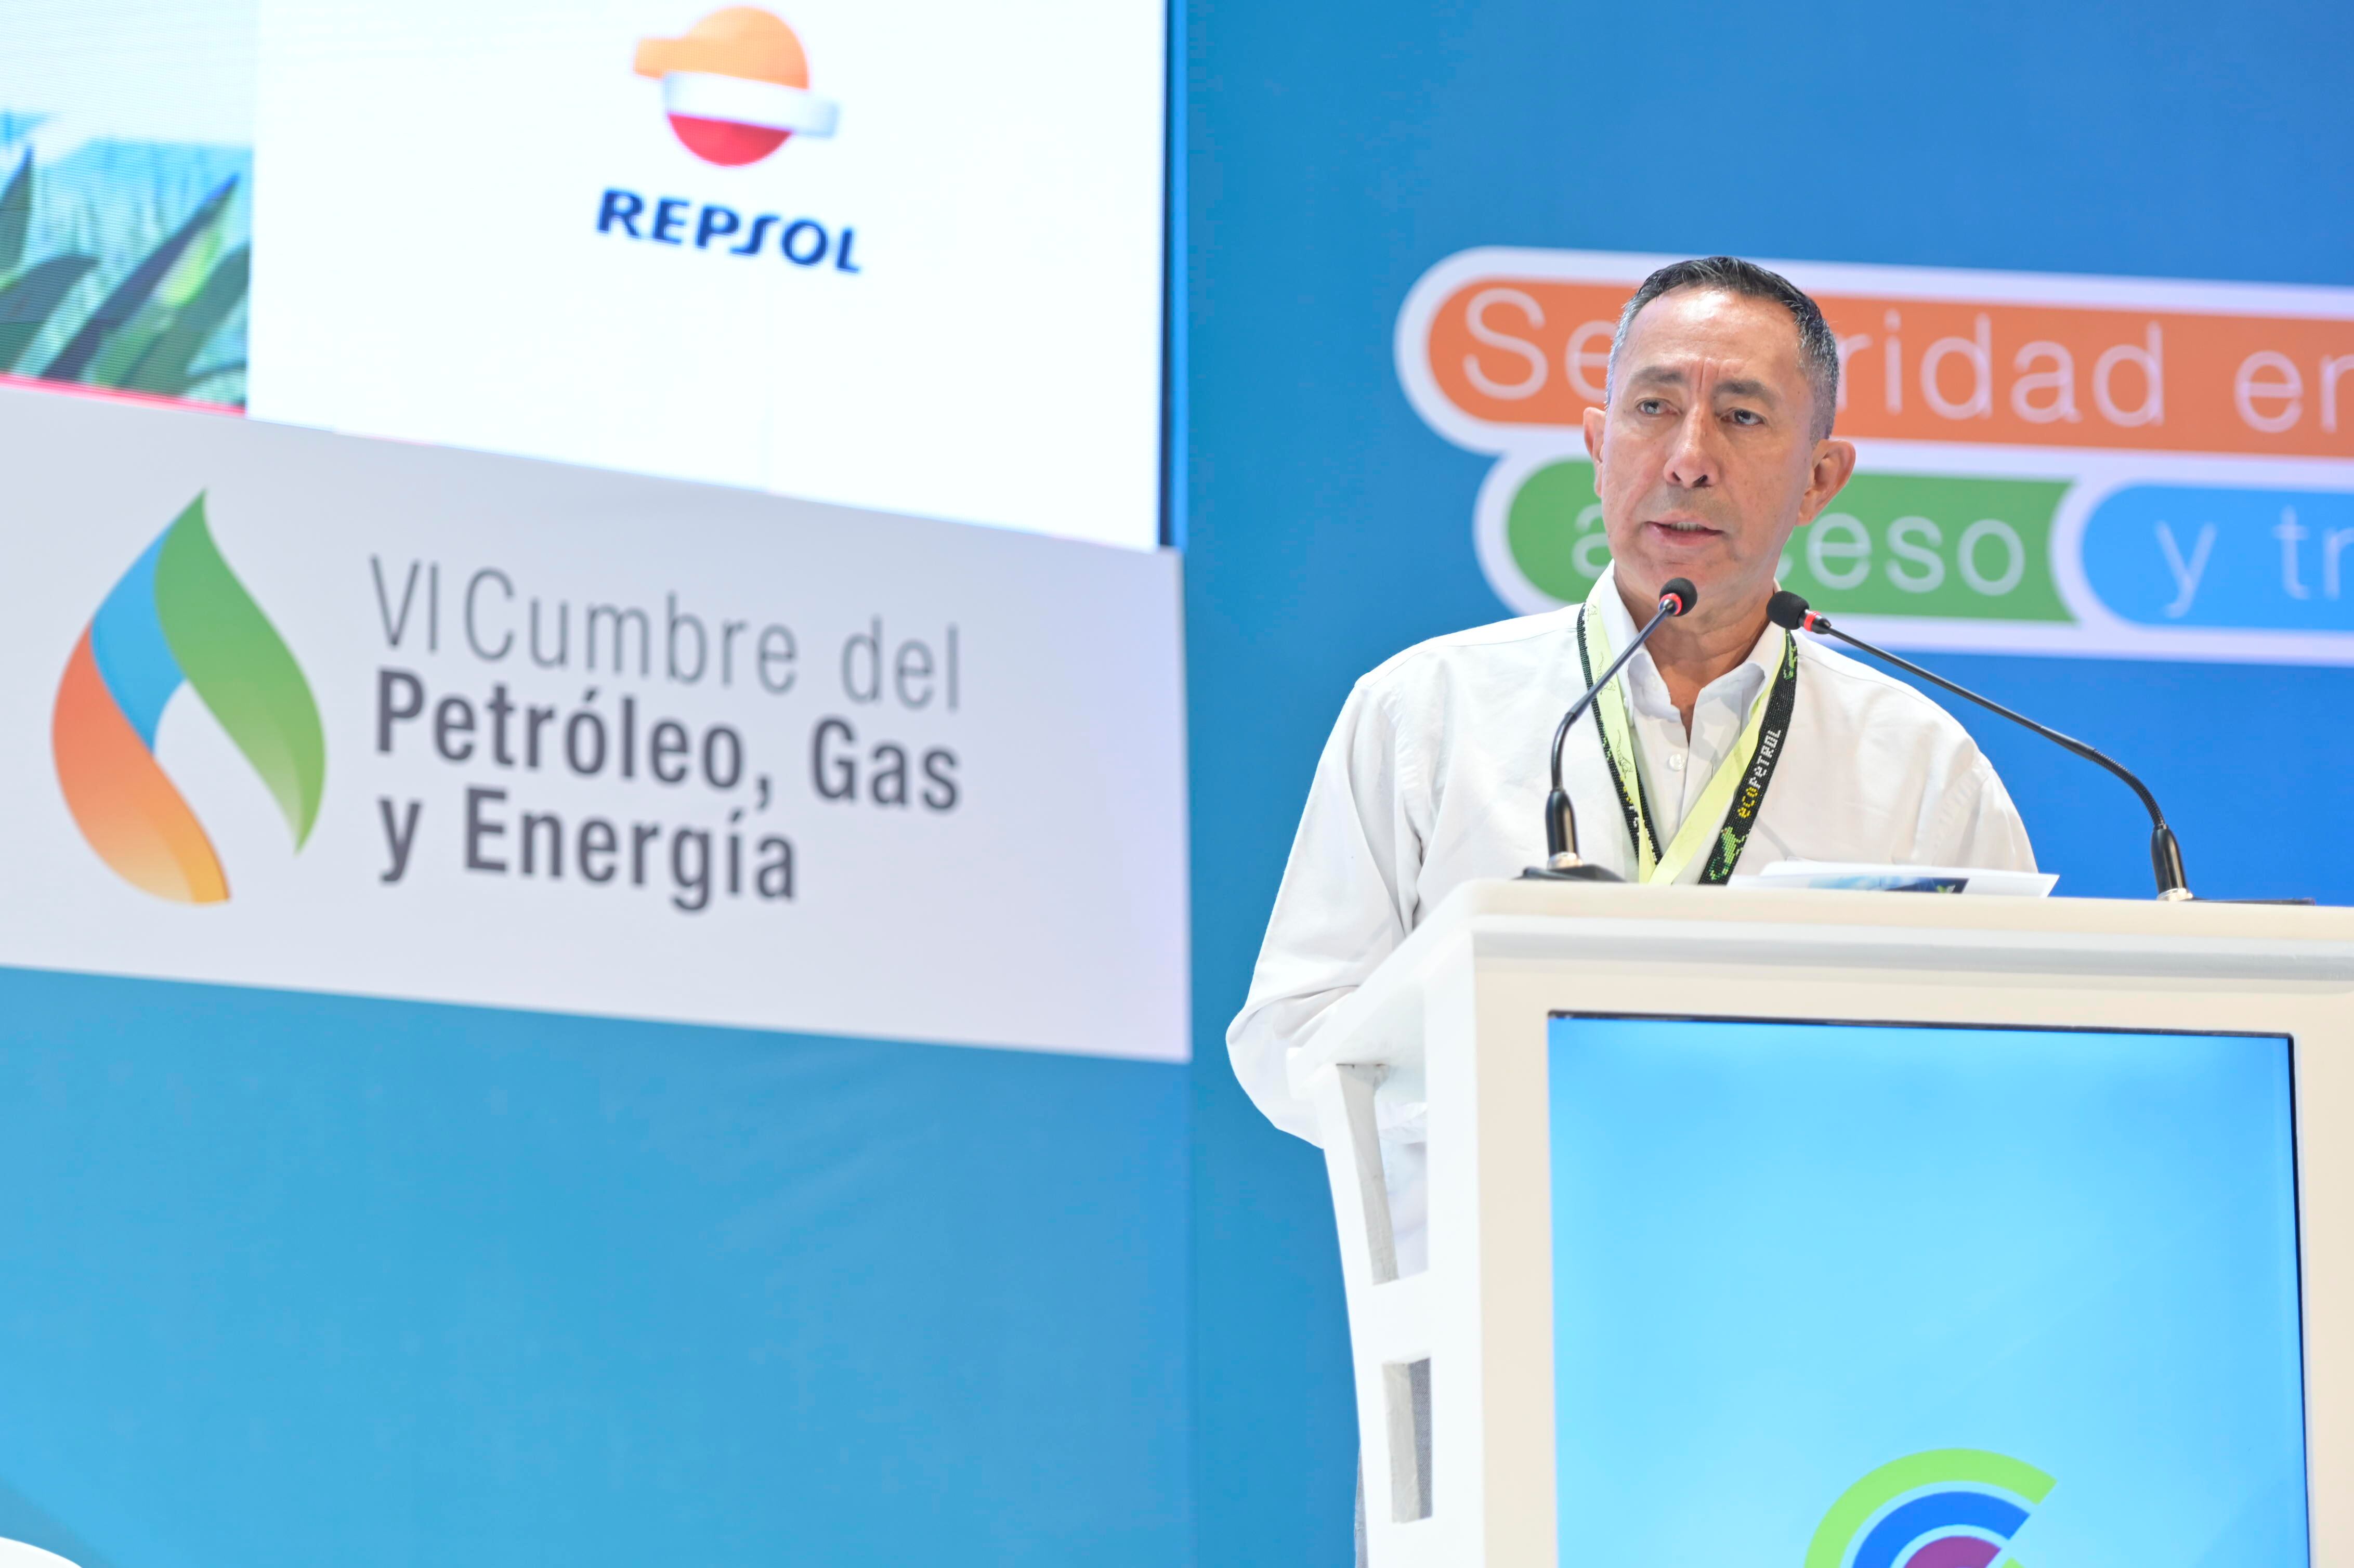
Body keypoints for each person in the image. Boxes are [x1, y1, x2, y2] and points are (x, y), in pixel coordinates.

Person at [1227, 256, 2036, 1274]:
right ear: (1597, 445)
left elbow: (2014, 1055)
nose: (1688, 458)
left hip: (1805, 1300)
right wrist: (1522, 1090)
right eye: (1653, 408)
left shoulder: (1918, 762)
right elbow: (1293, 1035)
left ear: (1819, 479)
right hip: (1496, 1298)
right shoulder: (1426, 710)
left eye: (1741, 416)